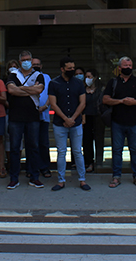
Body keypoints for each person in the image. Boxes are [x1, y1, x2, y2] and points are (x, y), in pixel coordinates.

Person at [103, 56, 136, 188]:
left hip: (134, 122)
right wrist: (121, 101)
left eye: (130, 66)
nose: (128, 68)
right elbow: (105, 99)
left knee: (134, 150)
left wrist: (134, 102)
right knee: (117, 150)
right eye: (125, 66)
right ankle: (116, 176)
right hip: (117, 122)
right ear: (119, 68)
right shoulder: (113, 82)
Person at [48, 57, 90, 191]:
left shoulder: (78, 83)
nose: (72, 70)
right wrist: (65, 118)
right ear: (62, 69)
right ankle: (61, 180)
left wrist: (73, 118)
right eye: (69, 68)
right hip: (60, 123)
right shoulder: (54, 83)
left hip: (76, 123)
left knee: (77, 151)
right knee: (61, 152)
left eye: (73, 68)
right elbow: (53, 104)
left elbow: (82, 103)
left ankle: (82, 180)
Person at [6, 51, 45, 189]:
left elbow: (38, 90)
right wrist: (29, 89)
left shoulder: (38, 75)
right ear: (20, 61)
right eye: (23, 60)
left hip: (32, 117)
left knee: (33, 147)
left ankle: (34, 177)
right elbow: (11, 90)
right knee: (15, 148)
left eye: (28, 59)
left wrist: (20, 88)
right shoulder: (13, 75)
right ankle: (14, 178)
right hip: (15, 117)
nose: (26, 61)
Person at [31, 57, 52, 179]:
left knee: (43, 143)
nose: (36, 66)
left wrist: (44, 106)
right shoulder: (27, 77)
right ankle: (31, 168)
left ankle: (44, 167)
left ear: (41, 66)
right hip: (30, 116)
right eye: (34, 64)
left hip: (43, 115)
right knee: (31, 143)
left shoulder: (46, 77)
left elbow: (51, 94)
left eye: (38, 64)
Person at [82, 68, 105, 172]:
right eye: (86, 77)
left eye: (89, 77)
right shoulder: (82, 90)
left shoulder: (101, 90)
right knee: (87, 140)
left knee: (99, 139)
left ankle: (99, 161)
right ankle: (89, 162)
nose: (87, 79)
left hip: (98, 117)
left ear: (95, 78)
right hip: (86, 117)